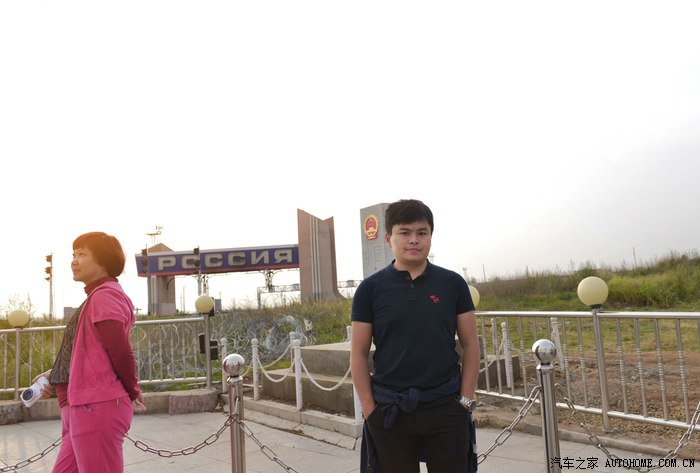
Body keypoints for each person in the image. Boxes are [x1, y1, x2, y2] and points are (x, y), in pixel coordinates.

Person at [350, 199, 480, 473]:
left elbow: (470, 344)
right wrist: (370, 411)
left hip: (446, 407)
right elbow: (359, 353)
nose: (414, 240)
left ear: (431, 237)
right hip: (390, 412)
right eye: (405, 232)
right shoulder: (370, 289)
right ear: (389, 238)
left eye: (422, 232)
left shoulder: (452, 284)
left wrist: (465, 402)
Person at [33, 231, 146, 473]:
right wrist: (54, 374)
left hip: (96, 405)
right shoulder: (96, 297)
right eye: (73, 255)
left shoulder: (105, 295)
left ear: (104, 261)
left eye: (82, 254)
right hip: (81, 405)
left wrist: (133, 389)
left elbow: (120, 351)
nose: (74, 261)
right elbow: (89, 352)